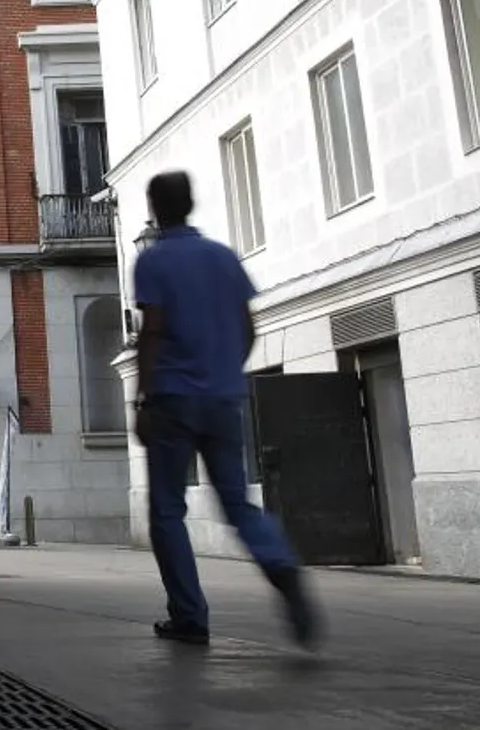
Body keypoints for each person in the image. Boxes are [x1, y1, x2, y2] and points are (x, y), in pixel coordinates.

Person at [131, 170, 319, 648]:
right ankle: (282, 568)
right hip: (223, 396)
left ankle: (190, 616)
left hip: (172, 397)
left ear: (155, 209)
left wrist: (145, 397)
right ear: (191, 203)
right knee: (236, 502)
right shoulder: (222, 257)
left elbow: (152, 330)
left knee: (168, 512)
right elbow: (248, 328)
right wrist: (221, 371)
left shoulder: (153, 261)